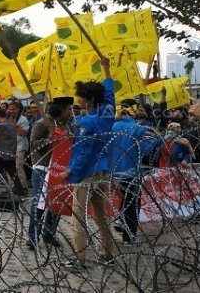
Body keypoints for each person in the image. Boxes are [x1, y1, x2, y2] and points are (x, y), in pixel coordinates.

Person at [57, 57, 116, 270]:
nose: (78, 101)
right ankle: (108, 253)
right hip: (104, 171)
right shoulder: (108, 111)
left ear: (89, 100)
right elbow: (109, 90)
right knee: (101, 215)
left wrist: (70, 172)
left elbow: (83, 153)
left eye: (81, 98)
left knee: (78, 217)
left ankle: (79, 259)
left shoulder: (85, 123)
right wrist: (106, 68)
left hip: (87, 174)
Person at [26, 97, 74, 250]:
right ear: (60, 109)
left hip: (60, 170)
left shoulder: (69, 126)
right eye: (68, 109)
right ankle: (33, 236)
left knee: (56, 203)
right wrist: (48, 140)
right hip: (43, 168)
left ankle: (49, 233)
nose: (71, 112)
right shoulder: (42, 124)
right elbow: (33, 146)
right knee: (39, 203)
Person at [109, 98, 149, 244]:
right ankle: (129, 236)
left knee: (125, 200)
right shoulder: (137, 129)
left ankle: (122, 224)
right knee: (132, 204)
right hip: (131, 172)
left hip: (115, 171)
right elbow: (146, 151)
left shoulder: (112, 127)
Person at [0, 109, 26, 196]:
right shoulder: (12, 125)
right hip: (10, 154)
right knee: (13, 174)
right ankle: (20, 190)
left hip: (2, 155)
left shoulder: (2, 126)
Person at [8, 101, 30, 191]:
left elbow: (23, 133)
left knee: (18, 167)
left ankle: (23, 187)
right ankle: (13, 187)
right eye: (9, 109)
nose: (11, 111)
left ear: (19, 109)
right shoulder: (7, 118)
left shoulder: (23, 119)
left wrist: (15, 125)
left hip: (20, 146)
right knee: (9, 167)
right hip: (10, 146)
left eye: (13, 109)